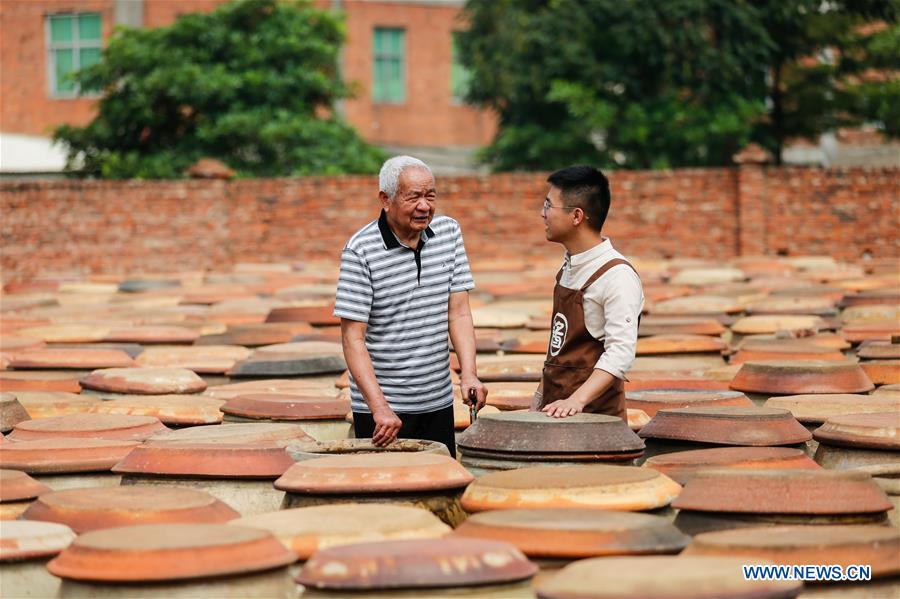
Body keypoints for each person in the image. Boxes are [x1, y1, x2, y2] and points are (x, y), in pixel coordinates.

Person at [334, 155, 487, 457]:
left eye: (431, 196)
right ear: (386, 200)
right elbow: (353, 339)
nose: (424, 206)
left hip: (437, 400)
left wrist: (469, 373)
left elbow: (458, 312)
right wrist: (380, 408)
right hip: (383, 411)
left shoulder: (448, 233)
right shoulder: (360, 250)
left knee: (440, 481)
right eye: (413, 197)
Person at [532, 165, 644, 420]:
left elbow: (620, 353)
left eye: (549, 205)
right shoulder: (569, 266)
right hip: (557, 411)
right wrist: (539, 396)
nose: (542, 213)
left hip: (596, 420)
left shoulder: (616, 276)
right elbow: (558, 347)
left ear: (576, 216)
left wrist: (576, 400)